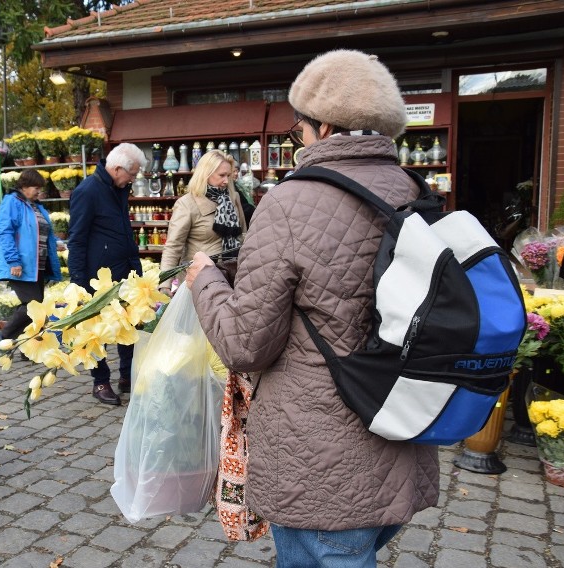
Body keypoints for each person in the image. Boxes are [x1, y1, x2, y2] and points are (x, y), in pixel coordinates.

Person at [185, 50, 439, 567]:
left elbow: (243, 343)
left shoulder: (290, 201)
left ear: (322, 126)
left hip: (319, 461)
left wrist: (206, 280)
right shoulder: (419, 194)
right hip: (400, 431)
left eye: (297, 126)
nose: (296, 137)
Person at [67, 142, 146, 405]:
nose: (133, 179)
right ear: (117, 168)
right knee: (95, 331)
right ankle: (100, 381)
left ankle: (126, 375)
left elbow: (122, 230)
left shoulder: (118, 189)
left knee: (127, 325)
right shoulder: (88, 191)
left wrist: (135, 268)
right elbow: (76, 239)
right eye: (132, 173)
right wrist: (78, 282)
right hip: (95, 277)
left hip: (124, 272)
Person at [158, 150, 246, 295]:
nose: (226, 180)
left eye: (228, 176)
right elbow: (173, 246)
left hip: (232, 277)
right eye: (221, 175)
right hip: (199, 281)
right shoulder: (187, 204)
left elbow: (243, 235)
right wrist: (165, 284)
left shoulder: (233, 197)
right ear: (206, 173)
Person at [0, 169, 62, 341]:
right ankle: (5, 335)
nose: (39, 191)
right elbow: (4, 233)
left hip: (36, 266)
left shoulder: (36, 206)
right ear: (24, 186)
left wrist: (56, 245)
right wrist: (13, 261)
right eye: (36, 187)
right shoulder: (12, 202)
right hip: (21, 265)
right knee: (33, 305)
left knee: (36, 306)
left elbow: (42, 231)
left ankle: (27, 347)